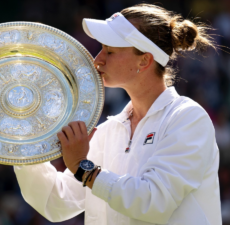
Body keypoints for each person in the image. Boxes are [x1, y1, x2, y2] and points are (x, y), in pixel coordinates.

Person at [14, 4, 222, 225]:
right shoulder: (108, 130)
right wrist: (24, 139)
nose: (98, 60)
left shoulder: (188, 119)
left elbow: (153, 202)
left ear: (145, 60)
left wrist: (83, 169)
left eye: (110, 51)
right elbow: (57, 203)